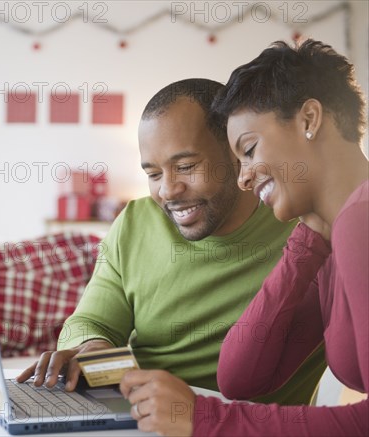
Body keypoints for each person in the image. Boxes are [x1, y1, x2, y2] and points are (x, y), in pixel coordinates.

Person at [17, 79, 326, 407]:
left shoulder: (306, 230)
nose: (167, 190)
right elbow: (91, 321)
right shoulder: (136, 221)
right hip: (137, 417)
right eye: (153, 174)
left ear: (237, 153)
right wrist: (94, 347)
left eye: (186, 167)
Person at [119, 40, 368, 436]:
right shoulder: (333, 237)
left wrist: (202, 419)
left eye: (249, 150)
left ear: (309, 118)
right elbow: (240, 378)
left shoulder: (361, 220)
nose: (243, 176)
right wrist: (308, 240)